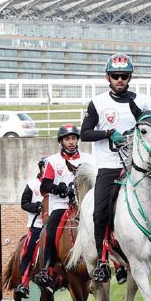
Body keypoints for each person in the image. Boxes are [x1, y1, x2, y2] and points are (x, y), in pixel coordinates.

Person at [81, 52, 151, 284]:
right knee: (99, 211)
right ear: (107, 77)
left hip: (140, 168)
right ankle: (103, 260)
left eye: (124, 76)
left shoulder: (142, 102)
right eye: (115, 76)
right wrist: (109, 133)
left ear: (130, 76)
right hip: (109, 167)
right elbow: (85, 132)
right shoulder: (98, 103)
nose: (119, 80)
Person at [32, 124, 88, 291]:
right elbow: (46, 185)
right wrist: (61, 189)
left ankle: (114, 262)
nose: (71, 142)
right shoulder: (52, 161)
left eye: (73, 138)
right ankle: (47, 269)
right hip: (61, 205)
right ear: (61, 142)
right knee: (50, 229)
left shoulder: (88, 158)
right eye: (67, 139)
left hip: (85, 204)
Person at [14, 157, 46, 298]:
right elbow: (24, 203)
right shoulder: (32, 185)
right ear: (41, 168)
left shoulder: (57, 184)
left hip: (54, 224)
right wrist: (37, 207)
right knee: (28, 252)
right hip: (37, 224)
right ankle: (24, 283)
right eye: (44, 166)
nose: (47, 169)